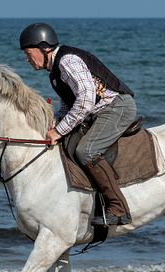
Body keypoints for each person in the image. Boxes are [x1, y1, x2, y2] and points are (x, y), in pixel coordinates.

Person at [19, 22, 137, 227]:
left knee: (86, 151)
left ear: (44, 48)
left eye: (28, 53)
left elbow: (85, 100)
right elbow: (69, 105)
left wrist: (59, 130)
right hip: (99, 111)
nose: (26, 59)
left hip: (117, 108)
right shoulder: (55, 73)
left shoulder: (67, 61)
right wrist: (51, 125)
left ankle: (119, 209)